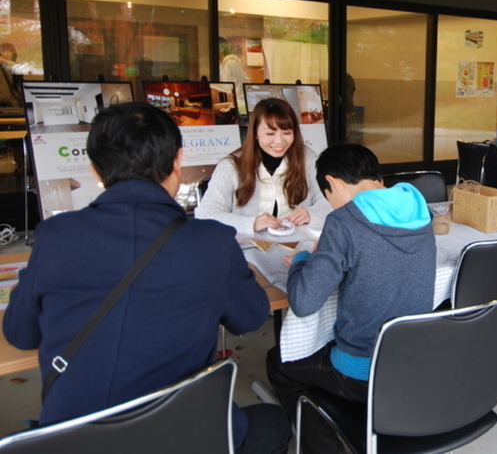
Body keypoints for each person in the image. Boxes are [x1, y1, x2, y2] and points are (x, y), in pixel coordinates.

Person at [3, 103, 290, 453]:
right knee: (274, 423)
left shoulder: (56, 236)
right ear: (178, 160)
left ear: (96, 171)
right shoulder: (211, 242)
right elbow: (249, 316)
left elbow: (20, 333)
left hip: (76, 441)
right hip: (186, 437)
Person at [266, 143, 436, 453]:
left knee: (279, 363)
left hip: (360, 372)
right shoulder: (419, 209)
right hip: (415, 361)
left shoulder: (344, 221)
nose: (332, 206)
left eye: (328, 197)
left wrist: (303, 261)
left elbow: (304, 302)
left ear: (332, 183)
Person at [195, 97, 326, 234]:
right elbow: (206, 214)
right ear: (255, 133)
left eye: (287, 133)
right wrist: (251, 223)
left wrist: (312, 214)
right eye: (270, 133)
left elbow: (330, 200)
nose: (279, 141)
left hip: (298, 243)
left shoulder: (307, 158)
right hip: (248, 247)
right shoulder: (231, 166)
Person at [219, 37, 249, 112]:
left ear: (222, 49)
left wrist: (238, 103)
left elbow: (244, 82)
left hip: (239, 102)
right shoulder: (220, 65)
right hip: (232, 102)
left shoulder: (231, 63)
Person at [0, 42, 22, 109]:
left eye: (9, 51)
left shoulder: (14, 68)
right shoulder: (5, 68)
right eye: (4, 51)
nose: (6, 53)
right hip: (9, 106)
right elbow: (5, 95)